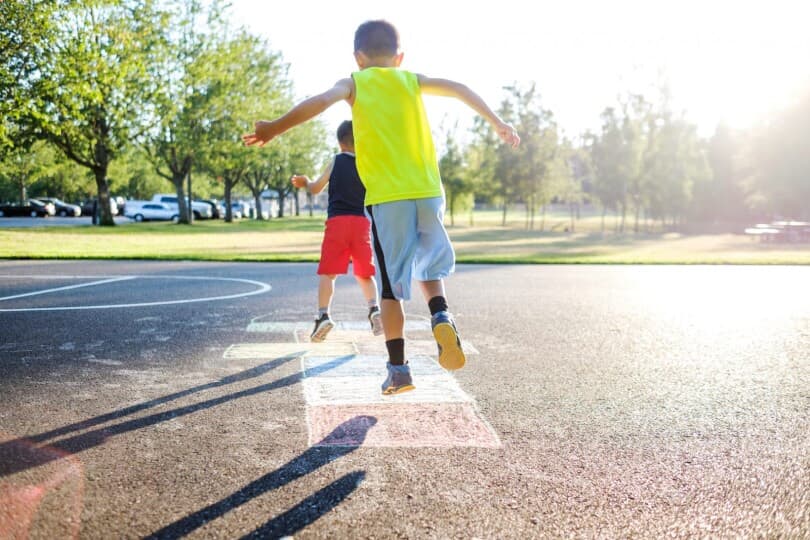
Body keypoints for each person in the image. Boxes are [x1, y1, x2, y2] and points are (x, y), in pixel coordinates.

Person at [243, 19, 520, 395]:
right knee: (427, 262)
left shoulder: (354, 84)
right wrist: (498, 122)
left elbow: (320, 101)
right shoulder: (411, 79)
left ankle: (398, 368)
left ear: (358, 57)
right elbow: (458, 88)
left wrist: (275, 127)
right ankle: (440, 312)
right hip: (427, 190)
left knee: (390, 288)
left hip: (388, 198)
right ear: (399, 56)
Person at [290, 120, 383, 342]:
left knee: (328, 273)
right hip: (361, 223)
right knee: (364, 273)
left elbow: (315, 188)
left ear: (340, 143)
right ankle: (374, 309)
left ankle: (323, 315)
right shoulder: (366, 164)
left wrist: (305, 182)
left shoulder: (336, 160)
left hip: (337, 223)